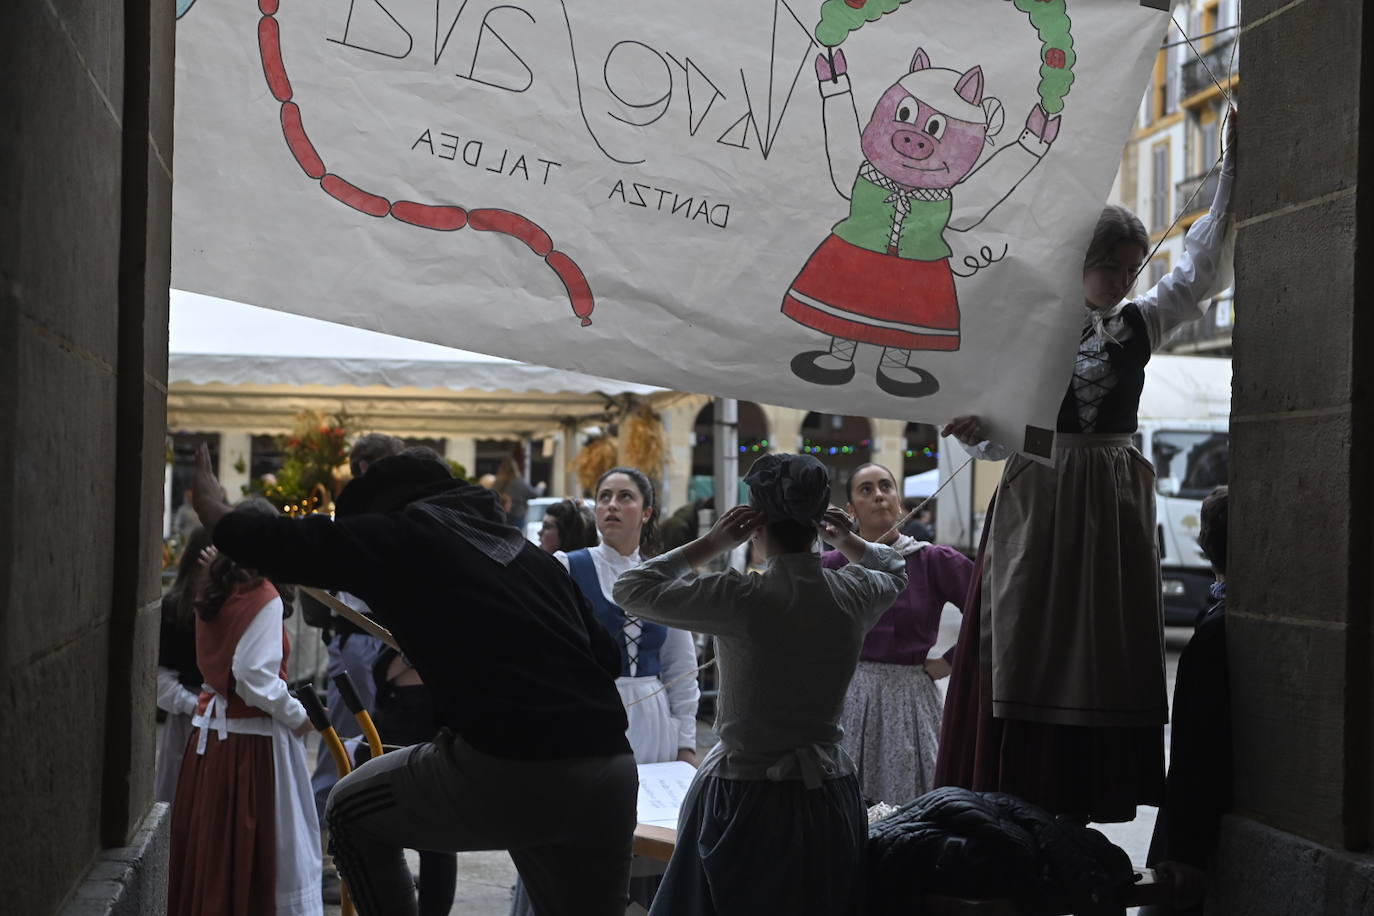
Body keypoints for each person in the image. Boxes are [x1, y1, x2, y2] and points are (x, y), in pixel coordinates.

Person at [935, 114, 1237, 823]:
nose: (1128, 277)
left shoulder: (1143, 322)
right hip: (1043, 485)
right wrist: (981, 429)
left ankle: (1086, 785)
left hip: (1114, 492)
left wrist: (1229, 181)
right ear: (1083, 261)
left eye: (1134, 266)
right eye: (1116, 265)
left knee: (1105, 632)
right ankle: (1020, 777)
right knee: (1031, 623)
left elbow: (1197, 271)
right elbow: (998, 429)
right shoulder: (1035, 325)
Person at [190, 447, 637, 916]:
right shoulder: (533, 558)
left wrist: (216, 513)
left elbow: (299, 543)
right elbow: (607, 657)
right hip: (611, 770)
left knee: (350, 812)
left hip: (512, 765)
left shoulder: (411, 535)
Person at [612, 453, 907, 915]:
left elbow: (631, 588)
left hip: (744, 795)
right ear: (818, 519)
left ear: (755, 523)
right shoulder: (850, 593)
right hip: (828, 795)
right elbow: (895, 568)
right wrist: (847, 538)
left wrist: (710, 543)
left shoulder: (740, 597)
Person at [511, 466, 699, 916]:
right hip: (587, 721)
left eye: (625, 497)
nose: (612, 505)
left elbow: (681, 666)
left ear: (647, 512)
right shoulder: (566, 568)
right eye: (604, 497)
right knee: (579, 841)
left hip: (652, 724)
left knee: (646, 844)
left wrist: (686, 741)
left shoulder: (662, 577)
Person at [167, 499, 322, 916]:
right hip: (249, 749)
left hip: (214, 742)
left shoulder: (215, 586)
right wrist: (300, 716)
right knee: (254, 859)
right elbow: (253, 678)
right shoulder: (262, 595)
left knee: (215, 853)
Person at [824, 463, 972, 805]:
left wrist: (950, 661)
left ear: (900, 501)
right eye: (866, 490)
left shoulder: (933, 560)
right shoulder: (832, 565)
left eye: (886, 486)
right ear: (851, 510)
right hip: (852, 697)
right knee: (849, 804)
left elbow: (990, 610)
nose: (878, 495)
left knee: (913, 801)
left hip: (912, 699)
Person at [312, 434, 402, 902]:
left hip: (384, 646)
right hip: (361, 641)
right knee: (342, 750)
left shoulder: (384, 512)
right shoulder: (358, 515)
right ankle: (321, 861)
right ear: (367, 468)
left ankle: (360, 860)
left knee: (379, 750)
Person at [1144, 486, 1231, 916]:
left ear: (1205, 544)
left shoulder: (1217, 630)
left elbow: (1195, 746)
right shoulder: (1227, 619)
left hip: (1196, 838)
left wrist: (1182, 849)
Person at [155, 525, 213, 806]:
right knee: (179, 801)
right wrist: (195, 706)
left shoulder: (229, 607)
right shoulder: (174, 608)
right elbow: (161, 679)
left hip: (221, 720)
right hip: (186, 720)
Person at [494, 453, 537, 530]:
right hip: (517, 515)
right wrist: (541, 487)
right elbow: (534, 494)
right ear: (515, 468)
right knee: (516, 538)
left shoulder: (498, 482)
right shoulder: (518, 482)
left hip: (500, 515)